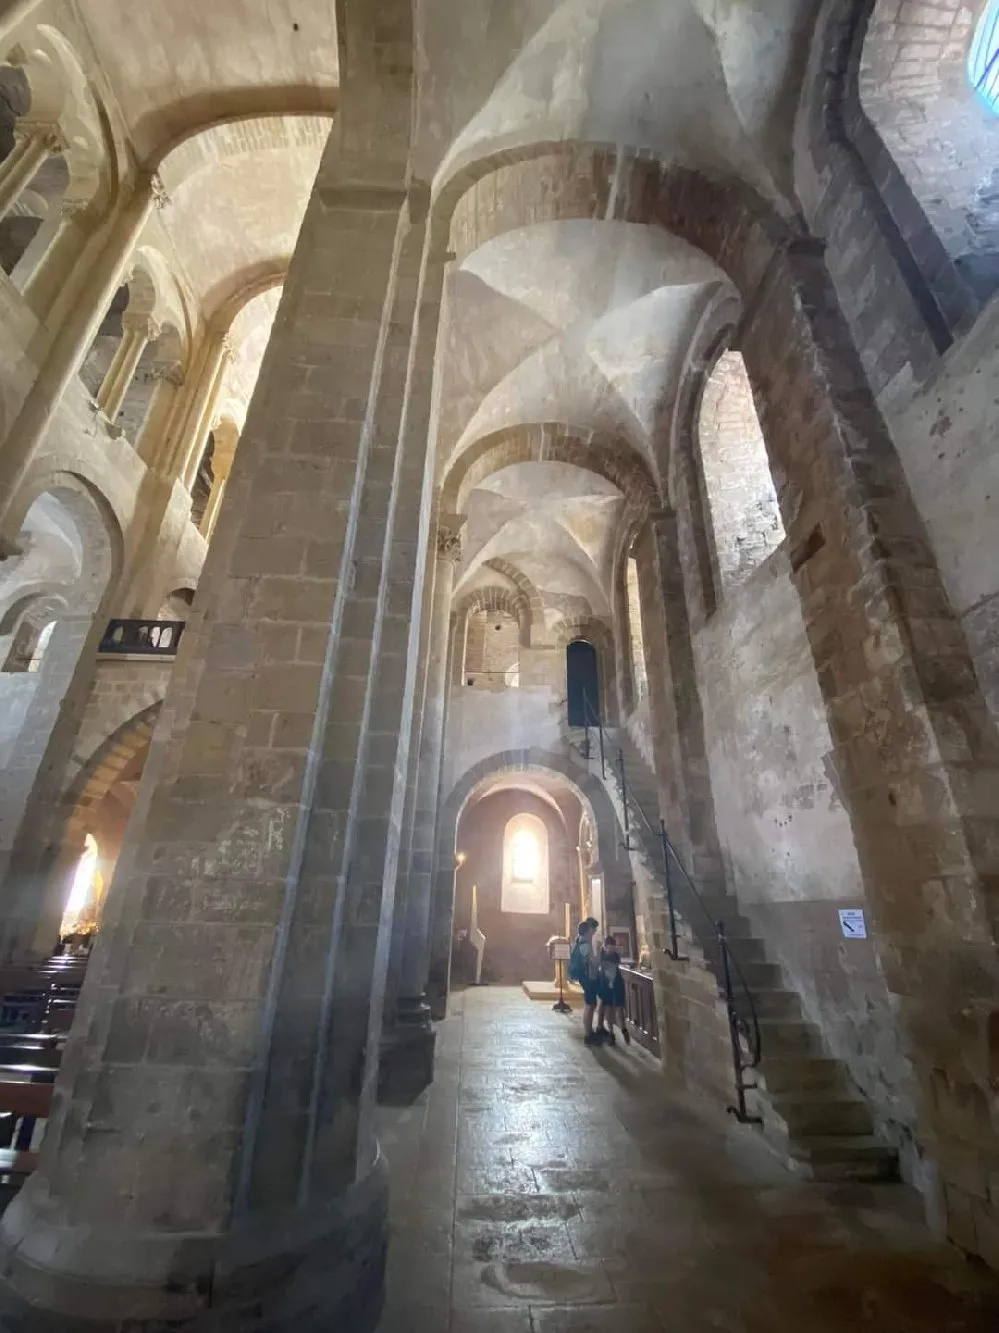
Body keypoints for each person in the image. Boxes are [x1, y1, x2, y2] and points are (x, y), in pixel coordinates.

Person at [568, 917, 603, 1045]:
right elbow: (594, 962)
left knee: (591, 1004)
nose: (594, 933)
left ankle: (590, 1032)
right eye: (593, 930)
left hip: (587, 977)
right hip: (587, 978)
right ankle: (588, 1034)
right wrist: (599, 950)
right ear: (589, 931)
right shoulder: (585, 945)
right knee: (590, 1005)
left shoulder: (580, 941)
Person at [596, 933, 630, 1046]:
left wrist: (613, 980)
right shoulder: (601, 955)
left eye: (612, 947)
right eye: (608, 947)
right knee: (608, 1008)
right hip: (605, 983)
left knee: (619, 1007)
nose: (610, 949)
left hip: (616, 982)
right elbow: (601, 969)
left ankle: (623, 1029)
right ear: (604, 946)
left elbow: (615, 969)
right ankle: (611, 1033)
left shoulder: (616, 956)